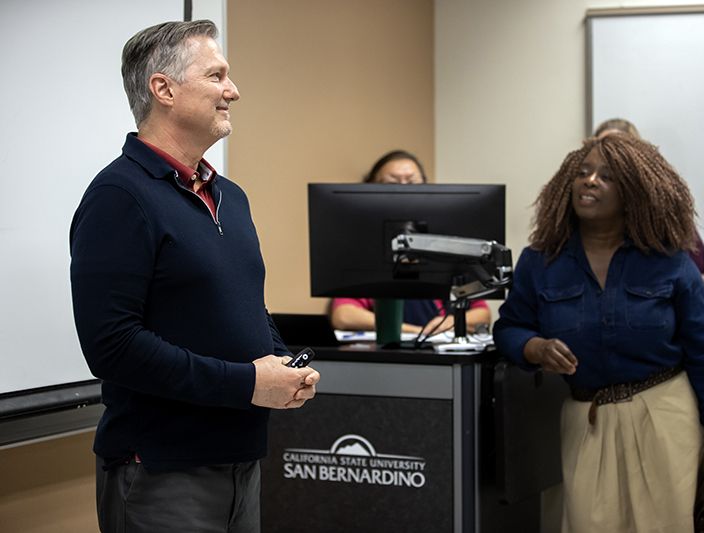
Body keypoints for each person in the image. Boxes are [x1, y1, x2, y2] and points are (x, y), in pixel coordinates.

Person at [70, 20, 319, 532]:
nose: (234, 90)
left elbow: (248, 305)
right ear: (163, 89)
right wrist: (248, 382)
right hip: (161, 471)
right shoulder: (120, 196)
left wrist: (278, 364)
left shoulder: (230, 195)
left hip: (241, 460)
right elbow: (112, 346)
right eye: (217, 76)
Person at [494, 134, 704, 532]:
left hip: (665, 416)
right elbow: (509, 327)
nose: (590, 181)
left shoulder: (670, 261)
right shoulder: (540, 261)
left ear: (635, 194)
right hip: (586, 421)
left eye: (606, 177)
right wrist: (534, 347)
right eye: (583, 173)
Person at [330, 150, 492, 335]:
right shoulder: (365, 252)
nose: (403, 190)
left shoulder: (446, 244)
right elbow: (343, 315)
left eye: (413, 182)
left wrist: (450, 322)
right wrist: (414, 331)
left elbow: (483, 314)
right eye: (392, 184)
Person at [594, 118, 704, 273]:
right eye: (601, 149)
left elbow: (701, 275)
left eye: (617, 150)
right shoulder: (583, 211)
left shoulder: (666, 213)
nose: (608, 157)